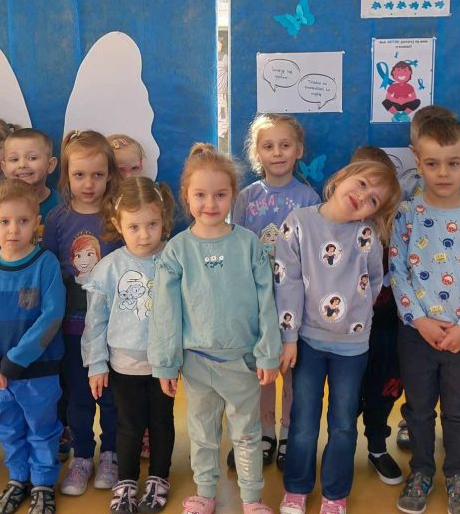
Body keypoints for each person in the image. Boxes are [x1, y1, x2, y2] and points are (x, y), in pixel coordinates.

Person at [149, 143, 281, 514]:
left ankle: (252, 498)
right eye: (201, 195)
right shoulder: (177, 250)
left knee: (247, 434)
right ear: (186, 196)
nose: (210, 204)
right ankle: (205, 493)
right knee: (203, 434)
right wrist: (165, 363)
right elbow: (165, 312)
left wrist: (268, 353)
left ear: (233, 195)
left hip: (242, 361)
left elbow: (267, 303)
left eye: (220, 195)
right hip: (196, 362)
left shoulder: (249, 244)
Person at [275, 160, 400, 514]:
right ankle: (296, 488)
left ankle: (335, 494)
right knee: (303, 419)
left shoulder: (366, 236)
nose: (363, 197)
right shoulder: (299, 223)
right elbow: (287, 282)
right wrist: (289, 337)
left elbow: (374, 282)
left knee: (343, 423)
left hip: (352, 347)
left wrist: (354, 318)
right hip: (307, 342)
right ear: (342, 176)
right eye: (361, 183)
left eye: (373, 200)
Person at [388, 116, 460, 514]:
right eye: (432, 163)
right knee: (417, 409)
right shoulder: (407, 214)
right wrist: (419, 320)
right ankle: (421, 471)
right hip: (416, 334)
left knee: (458, 410)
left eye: (453, 163)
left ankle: (456, 475)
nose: (443, 173)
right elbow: (397, 272)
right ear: (418, 163)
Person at [0, 180, 66, 514]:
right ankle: (18, 479)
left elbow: (52, 316)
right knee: (8, 428)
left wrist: (17, 359)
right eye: (4, 222)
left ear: (36, 222)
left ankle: (42, 483)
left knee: (42, 429)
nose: (13, 229)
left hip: (38, 371)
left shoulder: (45, 264)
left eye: (23, 221)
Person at [83, 176, 178, 513]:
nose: (144, 234)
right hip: (123, 365)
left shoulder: (174, 259)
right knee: (129, 425)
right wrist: (96, 363)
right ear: (118, 223)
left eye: (152, 224)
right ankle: (126, 481)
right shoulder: (109, 268)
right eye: (134, 226)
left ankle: (159, 477)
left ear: (163, 220)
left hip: (164, 364)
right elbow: (95, 322)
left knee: (162, 422)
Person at [232, 114, 321, 469]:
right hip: (257, 302)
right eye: (268, 146)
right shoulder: (246, 197)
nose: (278, 153)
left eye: (285, 145)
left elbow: (315, 252)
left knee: (292, 371)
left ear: (298, 150)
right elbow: (237, 246)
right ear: (257, 153)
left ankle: (288, 434)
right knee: (262, 370)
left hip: (295, 304)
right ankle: (264, 432)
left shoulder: (308, 197)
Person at [43, 130, 123, 495]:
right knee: (77, 395)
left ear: (109, 175)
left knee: (110, 397)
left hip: (113, 330)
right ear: (66, 175)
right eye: (79, 175)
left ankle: (110, 453)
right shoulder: (58, 219)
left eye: (97, 175)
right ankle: (81, 456)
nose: (88, 184)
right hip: (72, 328)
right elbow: (48, 271)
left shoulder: (117, 216)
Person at [350, 146, 405, 486]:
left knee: (384, 387)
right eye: (361, 183)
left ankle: (377, 445)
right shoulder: (336, 225)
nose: (366, 195)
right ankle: (341, 444)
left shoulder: (398, 227)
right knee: (346, 391)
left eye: (377, 190)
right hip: (347, 329)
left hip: (387, 325)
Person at [3, 128, 60, 226]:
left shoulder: (63, 206)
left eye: (32, 158)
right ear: (4, 168)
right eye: (14, 159)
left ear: (50, 165)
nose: (22, 165)